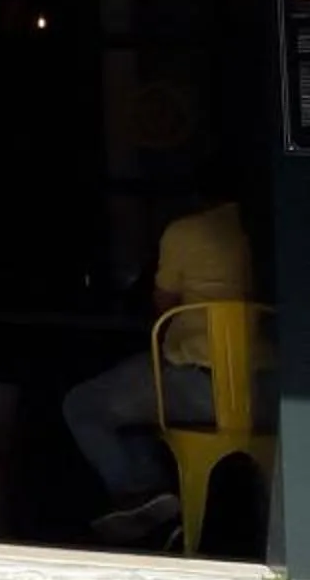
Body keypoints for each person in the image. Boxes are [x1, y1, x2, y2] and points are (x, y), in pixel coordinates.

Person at [60, 166, 255, 545]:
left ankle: (143, 494)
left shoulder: (186, 230)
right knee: (138, 403)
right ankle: (160, 510)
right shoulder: (271, 228)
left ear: (197, 194)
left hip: (203, 383)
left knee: (84, 404)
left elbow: (161, 307)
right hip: (271, 391)